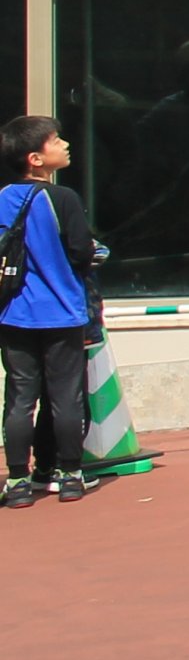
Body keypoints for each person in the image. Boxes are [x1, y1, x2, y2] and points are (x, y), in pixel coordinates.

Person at [1, 114, 103, 506]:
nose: (64, 145)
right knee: (65, 396)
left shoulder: (2, 199)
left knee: (20, 397)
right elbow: (81, 251)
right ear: (35, 158)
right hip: (62, 312)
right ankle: (71, 475)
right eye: (55, 140)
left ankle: (17, 482)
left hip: (12, 314)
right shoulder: (63, 199)